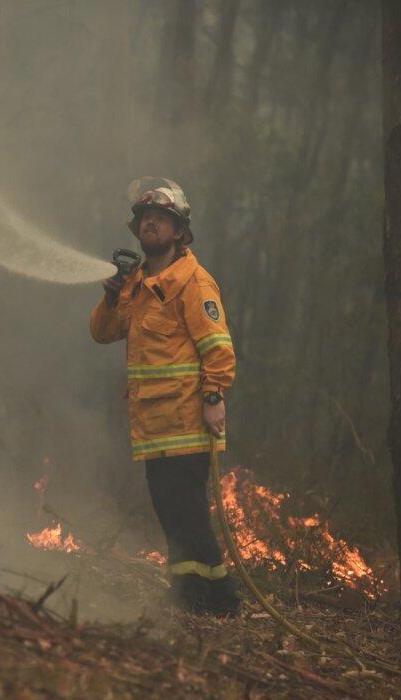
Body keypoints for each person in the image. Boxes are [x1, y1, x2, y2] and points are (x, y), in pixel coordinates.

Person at [90, 178, 240, 615]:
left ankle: (222, 600)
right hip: (152, 426)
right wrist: (110, 298)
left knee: (188, 517)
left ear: (179, 232)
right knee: (172, 518)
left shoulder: (194, 282)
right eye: (145, 219)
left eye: (162, 218)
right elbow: (103, 333)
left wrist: (214, 396)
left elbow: (218, 347)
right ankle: (190, 595)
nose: (151, 223)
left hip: (187, 422)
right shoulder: (135, 284)